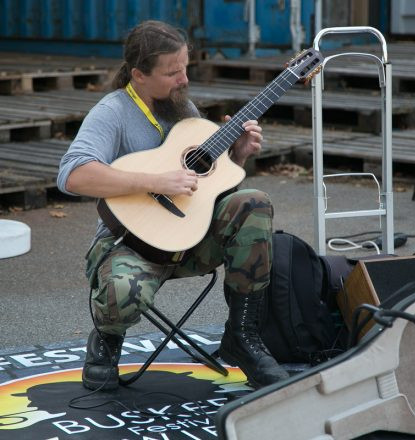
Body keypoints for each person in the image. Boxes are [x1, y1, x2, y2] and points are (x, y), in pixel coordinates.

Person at [57, 20, 289, 390]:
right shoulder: (113, 111)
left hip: (190, 239)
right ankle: (107, 337)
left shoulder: (183, 107)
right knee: (121, 296)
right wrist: (153, 181)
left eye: (185, 68)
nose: (183, 79)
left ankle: (243, 337)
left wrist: (238, 156)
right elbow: (72, 175)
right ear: (138, 75)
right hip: (132, 244)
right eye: (172, 72)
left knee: (253, 203)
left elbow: (205, 186)